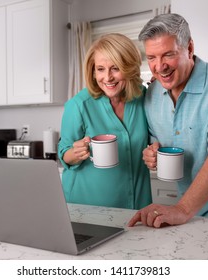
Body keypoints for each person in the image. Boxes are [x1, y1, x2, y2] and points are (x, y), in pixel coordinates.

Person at [128, 13, 208, 228]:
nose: (159, 67)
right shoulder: (151, 94)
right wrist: (152, 154)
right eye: (151, 57)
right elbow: (157, 144)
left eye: (168, 55)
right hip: (185, 207)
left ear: (189, 48)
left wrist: (182, 209)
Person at [58, 33, 152, 209]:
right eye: (100, 69)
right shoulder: (78, 105)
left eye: (115, 68)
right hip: (88, 209)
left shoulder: (143, 97)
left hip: (138, 207)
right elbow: (64, 154)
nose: (107, 77)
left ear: (129, 67)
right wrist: (76, 153)